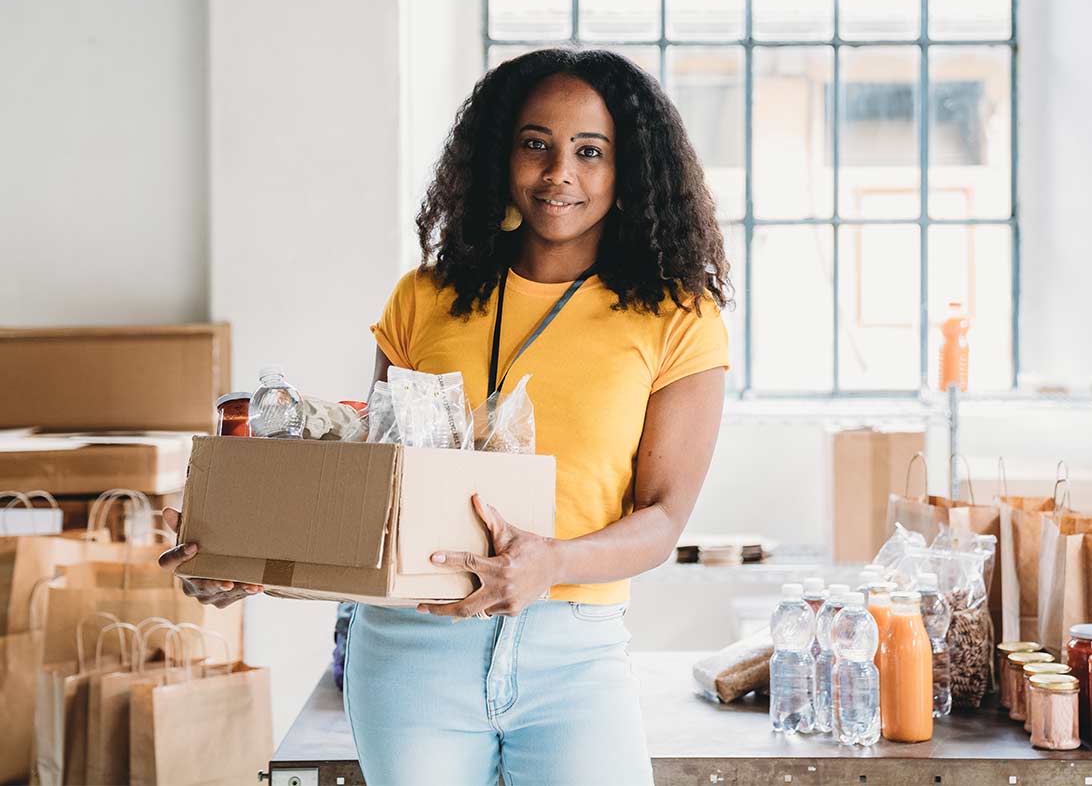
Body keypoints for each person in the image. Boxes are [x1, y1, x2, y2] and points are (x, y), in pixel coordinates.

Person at [159, 48, 731, 785]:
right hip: (411, 646)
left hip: (573, 652)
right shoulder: (425, 298)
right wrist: (244, 561)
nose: (560, 173)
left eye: (591, 152)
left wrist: (551, 561)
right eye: (536, 145)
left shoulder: (676, 317)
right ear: (502, 155)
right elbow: (373, 487)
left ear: (630, 173)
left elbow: (662, 517)